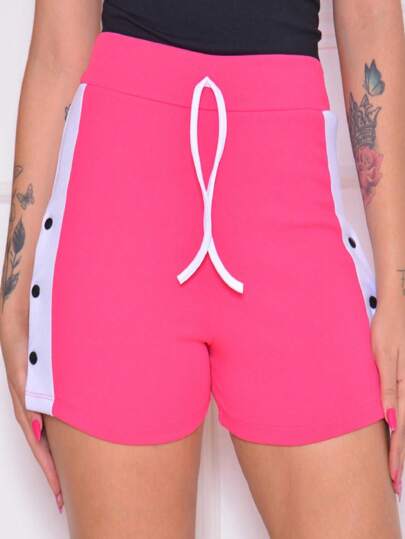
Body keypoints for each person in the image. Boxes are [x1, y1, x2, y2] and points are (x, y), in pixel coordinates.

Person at [0, 1, 404, 537]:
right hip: (119, 210)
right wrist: (13, 297)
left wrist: (398, 291)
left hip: (290, 197)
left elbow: (371, 19)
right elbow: (58, 47)